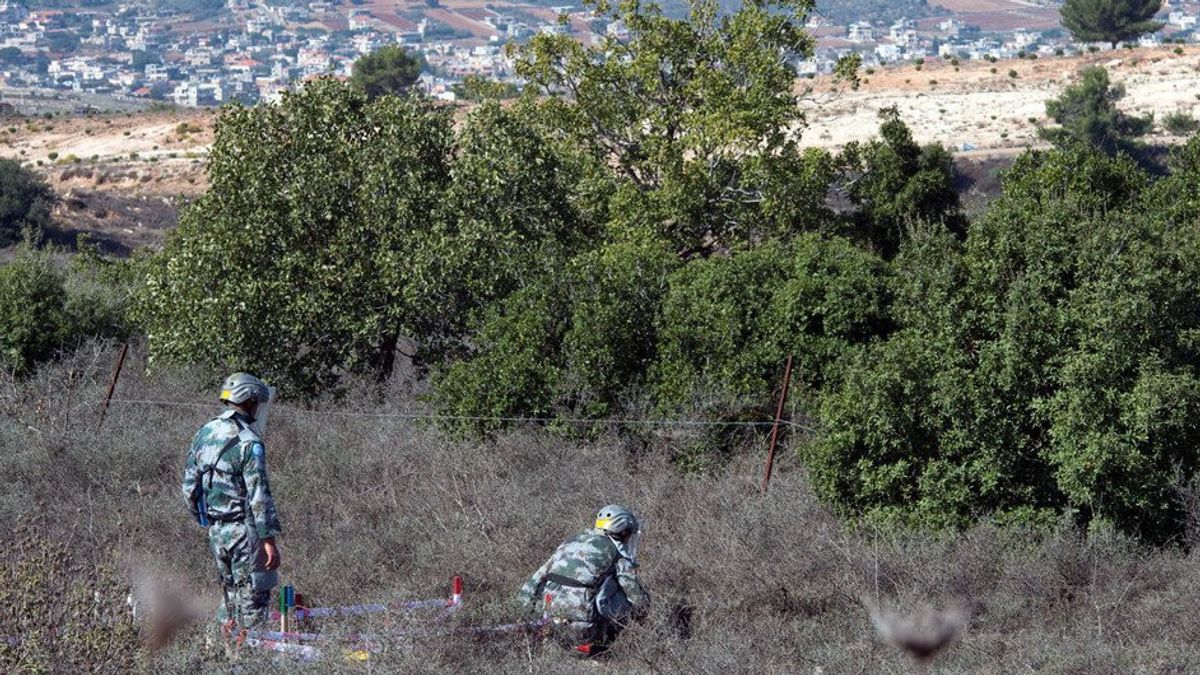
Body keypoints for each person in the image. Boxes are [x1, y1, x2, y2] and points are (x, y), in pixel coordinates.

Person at [181, 372, 282, 632]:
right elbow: (259, 495)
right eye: (256, 402)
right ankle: (251, 659)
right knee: (253, 599)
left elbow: (189, 486)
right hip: (244, 533)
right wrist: (268, 540)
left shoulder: (204, 433)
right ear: (248, 400)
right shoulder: (250, 442)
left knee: (229, 598)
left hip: (217, 532)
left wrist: (207, 521)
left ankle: (221, 656)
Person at [518, 504, 651, 656]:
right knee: (623, 598)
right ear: (622, 530)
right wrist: (643, 617)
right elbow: (636, 596)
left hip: (549, 621)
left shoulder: (570, 542)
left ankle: (557, 644)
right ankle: (598, 649)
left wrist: (523, 614)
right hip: (585, 629)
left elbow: (535, 580)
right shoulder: (617, 553)